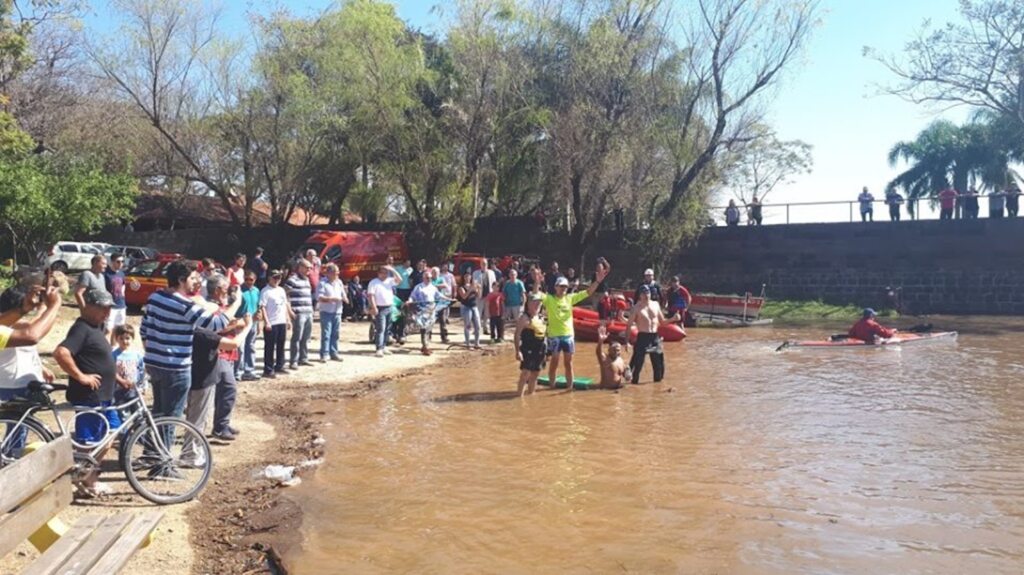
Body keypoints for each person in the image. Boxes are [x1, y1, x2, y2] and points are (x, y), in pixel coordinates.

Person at [140, 260, 237, 458]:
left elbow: (144, 330)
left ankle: (151, 454)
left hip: (155, 364)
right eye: (193, 278)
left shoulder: (155, 297)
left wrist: (154, 353)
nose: (197, 281)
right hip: (176, 368)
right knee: (171, 418)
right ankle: (162, 464)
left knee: (158, 412)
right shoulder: (184, 305)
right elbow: (216, 323)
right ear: (181, 280)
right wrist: (236, 303)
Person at [53, 288, 122, 495]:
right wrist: (81, 376)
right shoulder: (81, 328)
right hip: (90, 396)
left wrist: (118, 377)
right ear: (89, 306)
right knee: (89, 442)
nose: (107, 313)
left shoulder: (96, 327)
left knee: (111, 434)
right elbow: (61, 352)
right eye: (102, 308)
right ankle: (84, 480)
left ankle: (88, 476)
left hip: (105, 396)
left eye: (109, 308)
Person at [0, 285, 59, 456]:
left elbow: (28, 347)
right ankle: (10, 460)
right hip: (10, 383)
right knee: (18, 425)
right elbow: (32, 333)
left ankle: (11, 457)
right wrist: (51, 306)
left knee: (20, 428)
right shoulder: (10, 324)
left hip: (24, 381)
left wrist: (41, 367)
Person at [540, 262, 610, 392]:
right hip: (554, 335)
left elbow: (588, 292)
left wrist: (597, 282)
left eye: (566, 287)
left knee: (568, 362)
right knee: (554, 362)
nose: (564, 289)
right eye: (561, 286)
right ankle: (551, 387)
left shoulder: (570, 298)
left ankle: (569, 389)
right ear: (556, 287)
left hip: (568, 335)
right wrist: (537, 282)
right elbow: (536, 295)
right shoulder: (549, 299)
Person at [186, 327, 242, 454]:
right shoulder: (202, 328)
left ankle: (221, 426)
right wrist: (245, 324)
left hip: (216, 358)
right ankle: (191, 453)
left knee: (227, 390)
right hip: (206, 366)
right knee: (198, 414)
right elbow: (230, 338)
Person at [624, 285, 674, 384]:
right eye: (643, 293)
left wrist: (673, 319)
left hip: (654, 337)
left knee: (658, 365)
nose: (646, 295)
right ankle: (633, 384)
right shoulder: (636, 308)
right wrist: (626, 342)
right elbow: (628, 326)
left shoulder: (655, 304)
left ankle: (657, 387)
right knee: (638, 365)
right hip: (643, 336)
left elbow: (662, 322)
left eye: (648, 293)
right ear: (640, 295)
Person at [409, 269, 450, 355]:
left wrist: (449, 299)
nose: (429, 279)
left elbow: (439, 295)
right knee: (424, 328)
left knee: (428, 329)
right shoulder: (418, 287)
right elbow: (412, 296)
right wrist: (409, 301)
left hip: (431, 309)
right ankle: (425, 346)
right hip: (422, 310)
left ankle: (425, 345)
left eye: (430, 278)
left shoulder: (433, 287)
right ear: (423, 278)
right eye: (427, 278)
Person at [260, 270, 292, 377]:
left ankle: (279, 365)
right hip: (272, 322)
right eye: (275, 278)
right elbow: (263, 307)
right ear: (269, 278)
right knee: (269, 347)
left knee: (281, 345)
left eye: (279, 278)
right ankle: (268, 369)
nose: (277, 280)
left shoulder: (281, 290)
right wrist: (267, 321)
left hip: (281, 320)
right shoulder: (265, 291)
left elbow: (285, 305)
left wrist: (288, 319)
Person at [513, 293, 546, 396]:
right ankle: (519, 396)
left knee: (536, 373)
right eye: (534, 303)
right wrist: (518, 351)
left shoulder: (540, 316)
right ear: (529, 304)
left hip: (540, 349)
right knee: (525, 373)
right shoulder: (524, 318)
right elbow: (517, 335)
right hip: (528, 349)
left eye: (539, 303)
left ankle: (531, 394)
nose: (537, 305)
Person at [285, 259, 314, 369]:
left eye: (310, 268)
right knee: (297, 337)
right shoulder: (292, 280)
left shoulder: (307, 280)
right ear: (300, 267)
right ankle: (294, 360)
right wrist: (290, 311)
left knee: (306, 337)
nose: (309, 270)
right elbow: (285, 295)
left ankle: (304, 358)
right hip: (298, 313)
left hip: (308, 312)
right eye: (308, 268)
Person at [368, 265, 402, 357]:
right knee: (381, 328)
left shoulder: (389, 281)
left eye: (386, 273)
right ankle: (379, 348)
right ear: (378, 273)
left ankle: (384, 346)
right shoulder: (373, 282)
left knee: (387, 328)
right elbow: (371, 295)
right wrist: (374, 307)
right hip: (380, 308)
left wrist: (392, 270)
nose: (385, 275)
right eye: (383, 273)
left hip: (389, 307)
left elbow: (399, 280)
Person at [317, 263, 348, 362]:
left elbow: (343, 294)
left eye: (338, 273)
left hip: (337, 311)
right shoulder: (322, 283)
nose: (337, 275)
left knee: (336, 333)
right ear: (329, 273)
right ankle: (324, 354)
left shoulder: (339, 282)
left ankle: (334, 353)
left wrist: (345, 298)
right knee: (326, 333)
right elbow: (319, 297)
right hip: (326, 311)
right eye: (335, 273)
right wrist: (331, 299)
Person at [112, 324, 146, 410]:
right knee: (122, 414)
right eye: (121, 338)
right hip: (119, 391)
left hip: (135, 390)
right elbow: (111, 372)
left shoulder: (137, 355)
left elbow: (141, 371)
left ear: (132, 339)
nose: (124, 341)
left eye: (127, 338)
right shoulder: (114, 355)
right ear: (117, 339)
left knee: (138, 412)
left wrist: (143, 387)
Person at [235, 271, 261, 381]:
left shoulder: (256, 290)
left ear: (255, 280)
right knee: (240, 348)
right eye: (246, 279)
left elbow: (258, 306)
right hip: (241, 321)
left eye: (251, 279)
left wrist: (259, 322)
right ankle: (238, 371)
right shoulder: (239, 290)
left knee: (251, 346)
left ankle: (249, 369)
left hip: (253, 321)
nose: (249, 282)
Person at [103, 254, 128, 345]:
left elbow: (123, 284)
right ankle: (99, 346)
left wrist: (123, 293)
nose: (120, 264)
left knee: (117, 330)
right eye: (118, 261)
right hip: (110, 306)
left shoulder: (121, 273)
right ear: (112, 262)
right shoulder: (106, 274)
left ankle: (112, 348)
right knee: (107, 329)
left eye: (122, 261)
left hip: (121, 305)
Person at [458, 271, 482, 349]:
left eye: (469, 276)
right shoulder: (461, 287)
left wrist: (479, 288)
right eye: (466, 276)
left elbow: (479, 296)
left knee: (478, 326)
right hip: (466, 307)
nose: (468, 278)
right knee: (467, 325)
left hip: (474, 306)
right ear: (464, 278)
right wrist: (470, 289)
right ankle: (468, 343)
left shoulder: (473, 286)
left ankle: (477, 343)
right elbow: (464, 297)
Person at [473, 259, 497, 335]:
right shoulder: (476, 273)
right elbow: (474, 284)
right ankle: (477, 329)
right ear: (480, 264)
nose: (484, 265)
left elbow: (494, 284)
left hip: (489, 296)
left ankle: (486, 329)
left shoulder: (492, 273)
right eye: (482, 263)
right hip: (479, 296)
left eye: (485, 263)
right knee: (478, 313)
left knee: (487, 314)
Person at [437, 263, 457, 343]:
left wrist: (454, 293)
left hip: (447, 294)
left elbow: (454, 284)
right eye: (443, 266)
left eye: (446, 266)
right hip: (439, 296)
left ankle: (444, 334)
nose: (445, 267)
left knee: (445, 312)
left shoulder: (450, 275)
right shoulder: (439, 275)